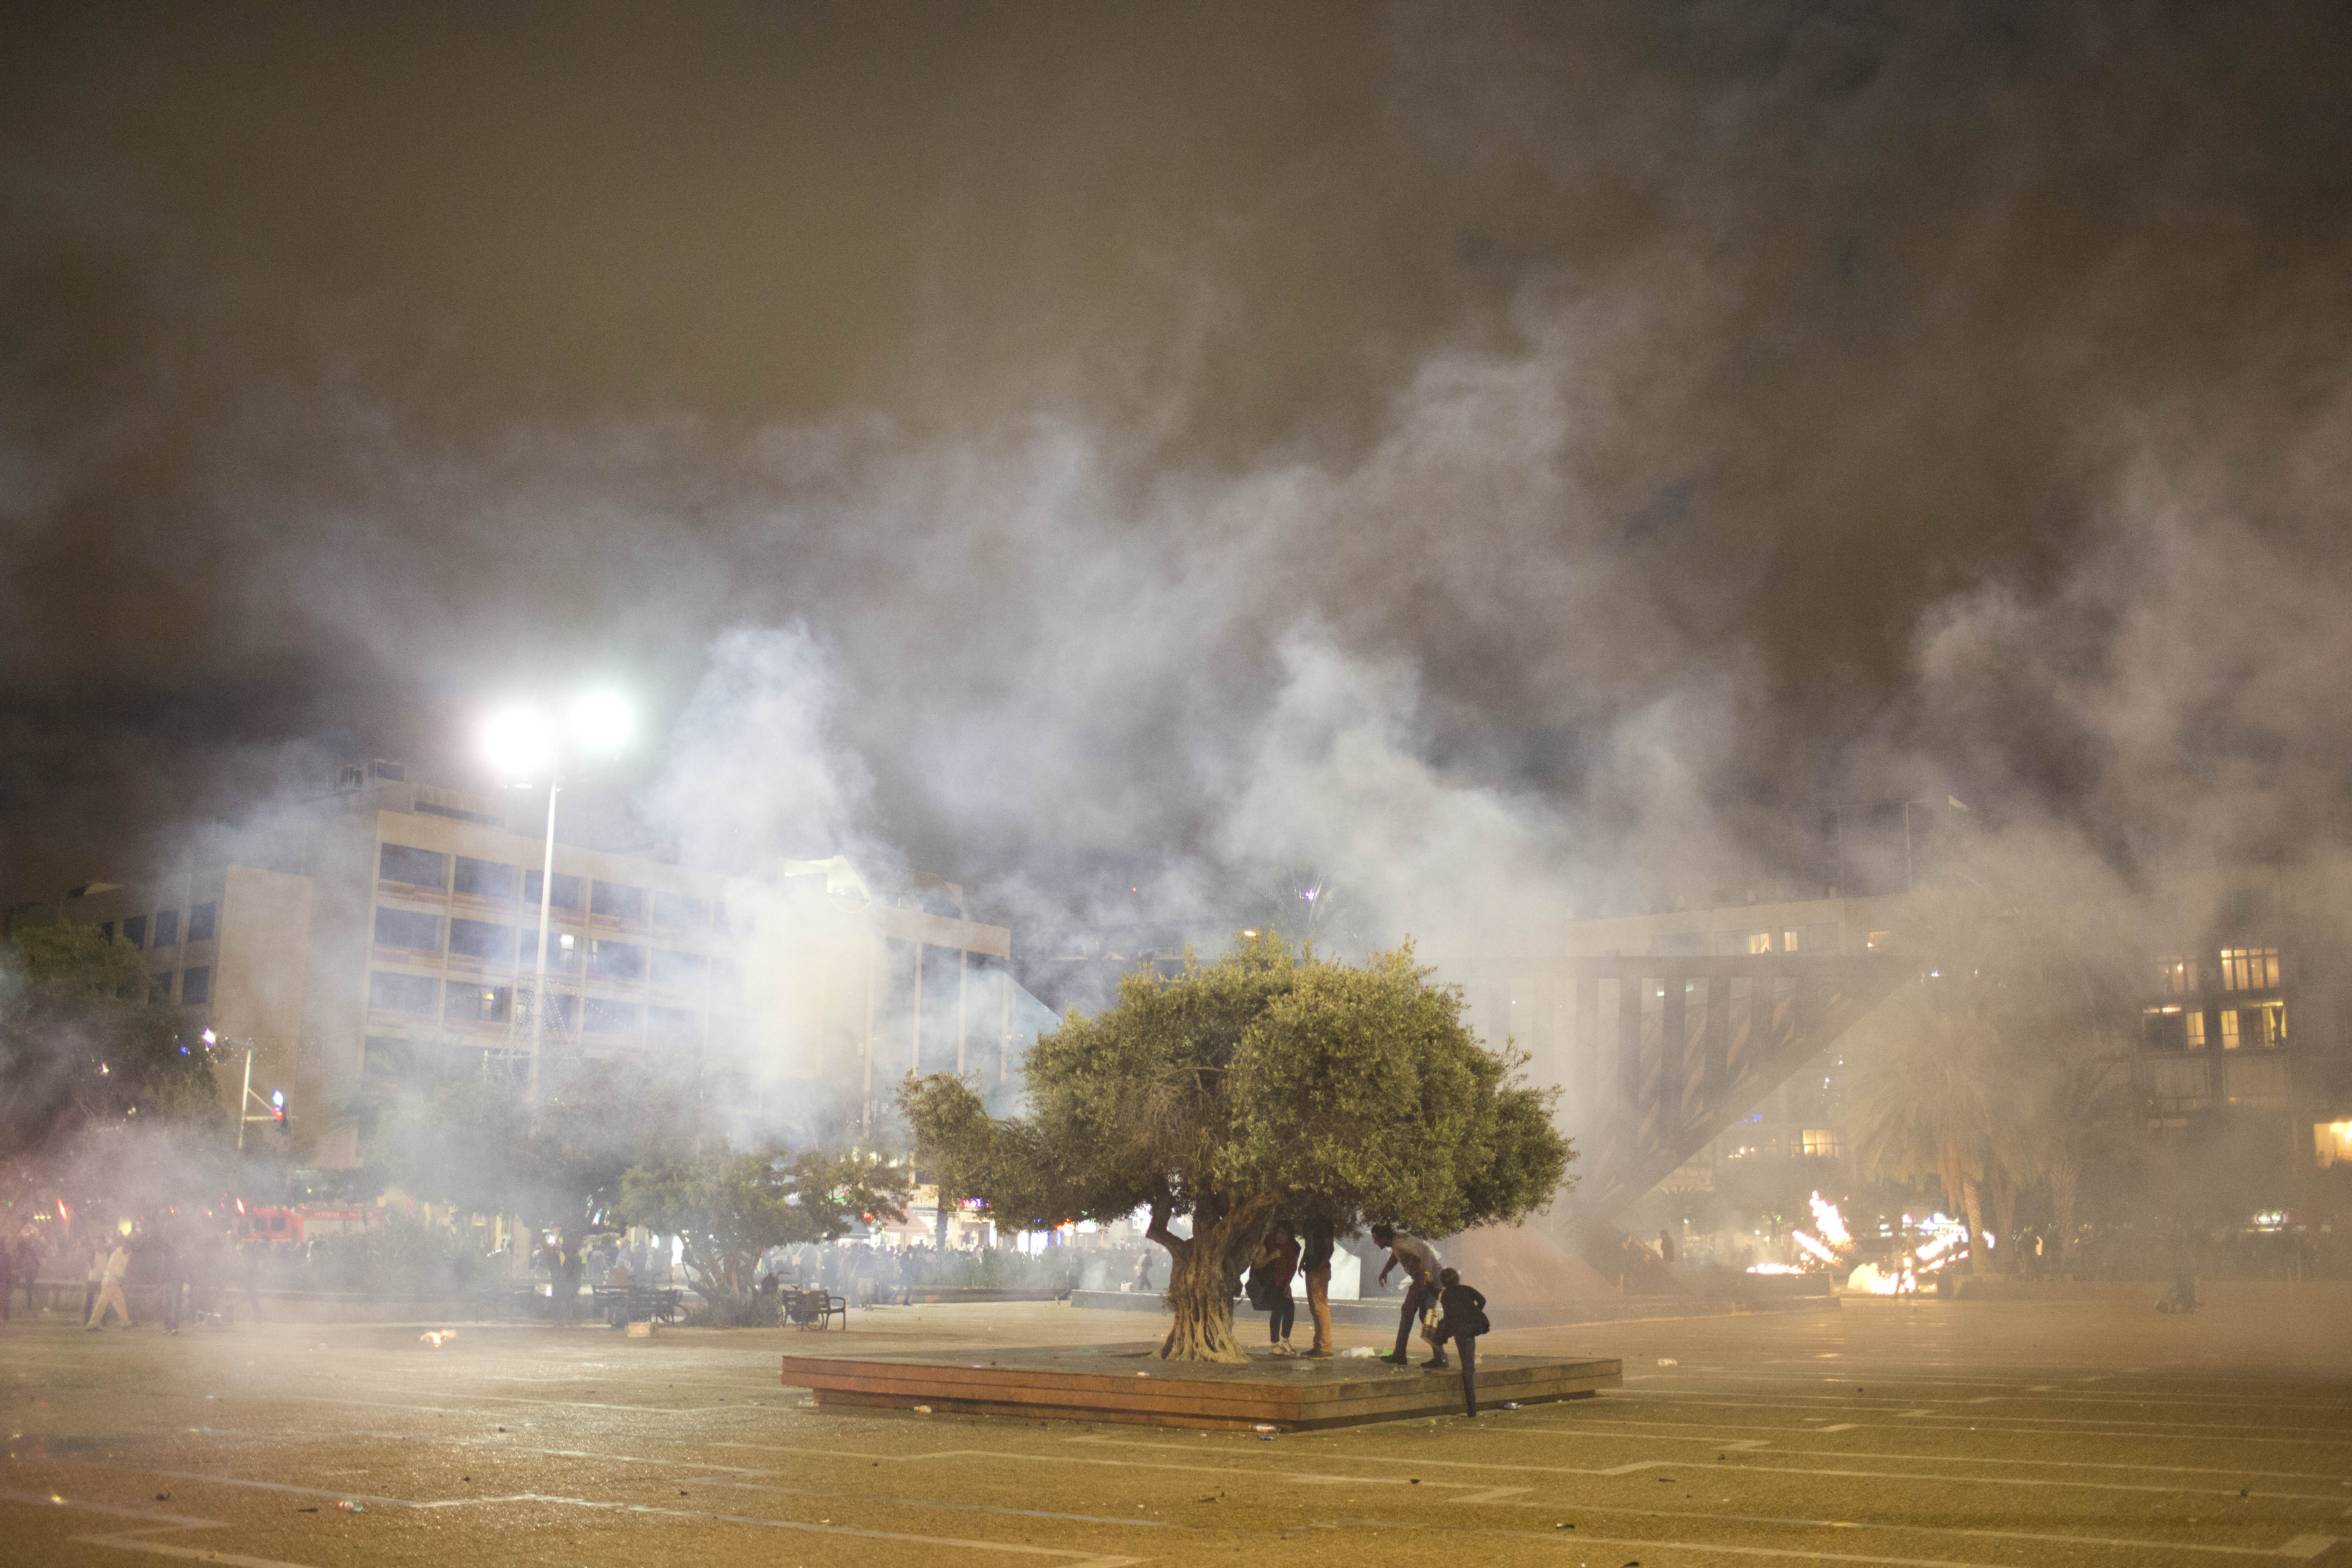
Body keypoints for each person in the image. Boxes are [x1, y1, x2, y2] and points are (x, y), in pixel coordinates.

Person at [1369, 1223, 1443, 1367]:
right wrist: (1385, 1271)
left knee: (1408, 1311)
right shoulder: (1397, 1243)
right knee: (1426, 1317)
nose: (1375, 1242)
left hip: (1425, 1277)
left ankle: (1400, 1354)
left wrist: (1428, 1274)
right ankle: (1440, 1356)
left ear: (1384, 1237)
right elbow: (1396, 1256)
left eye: (1376, 1239)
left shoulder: (1400, 1242)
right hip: (1431, 1277)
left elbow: (1425, 1252)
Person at [1434, 1267, 1491, 1414]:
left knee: (1466, 1368)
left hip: (1460, 1330)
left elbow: (1449, 1316)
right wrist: (1474, 1312)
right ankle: (1470, 1367)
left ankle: (1472, 1407)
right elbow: (1482, 1300)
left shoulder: (1445, 1295)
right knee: (1468, 1357)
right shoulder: (1466, 1289)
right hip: (1472, 1328)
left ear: (1443, 1281)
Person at [1249, 1223, 1301, 1355]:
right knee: (1278, 1310)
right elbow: (1258, 1264)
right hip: (1270, 1283)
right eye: (1278, 1232)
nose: (1279, 1236)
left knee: (1290, 1309)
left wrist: (1288, 1284)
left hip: (1283, 1283)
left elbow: (1291, 1267)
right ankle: (1275, 1344)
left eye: (1283, 1233)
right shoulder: (1269, 1244)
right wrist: (1273, 1256)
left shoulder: (1293, 1248)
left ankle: (1285, 1340)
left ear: (1289, 1236)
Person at [1299, 1215, 1336, 1357]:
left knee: (1320, 1307)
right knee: (1315, 1309)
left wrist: (1320, 1266)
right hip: (1312, 1269)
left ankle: (1325, 1347)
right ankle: (1319, 1345)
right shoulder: (1309, 1223)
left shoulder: (1324, 1223)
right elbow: (1309, 1247)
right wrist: (1303, 1262)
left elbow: (1330, 1248)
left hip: (1319, 1270)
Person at [87, 1237, 133, 1329]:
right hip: (110, 1281)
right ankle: (93, 1324)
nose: (126, 1248)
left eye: (128, 1247)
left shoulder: (126, 1255)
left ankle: (125, 1322)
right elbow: (112, 1268)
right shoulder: (117, 1254)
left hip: (113, 1282)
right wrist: (121, 1276)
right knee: (105, 1303)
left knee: (118, 1302)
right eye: (125, 1246)